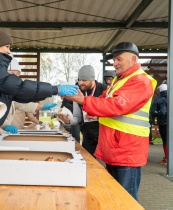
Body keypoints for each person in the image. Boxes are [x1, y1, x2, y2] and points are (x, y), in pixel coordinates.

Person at [0, 22, 78, 154]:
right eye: (6, 46)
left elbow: (17, 95)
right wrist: (56, 89)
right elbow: (21, 87)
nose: (9, 51)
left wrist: (47, 94)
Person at [64, 42, 157, 201]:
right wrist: (86, 103)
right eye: (114, 59)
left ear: (134, 59)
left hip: (127, 150)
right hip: (116, 148)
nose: (115, 63)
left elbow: (116, 105)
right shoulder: (119, 81)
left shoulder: (140, 80)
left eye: (119, 59)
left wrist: (83, 101)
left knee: (126, 199)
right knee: (115, 196)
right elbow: (102, 100)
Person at [0, 58, 57, 150]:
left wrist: (42, 107)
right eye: (12, 73)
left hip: (3, 136)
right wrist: (4, 125)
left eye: (17, 75)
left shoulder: (8, 90)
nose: (14, 77)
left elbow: (22, 104)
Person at [58, 65, 108, 156]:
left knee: (110, 168)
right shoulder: (78, 90)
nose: (81, 83)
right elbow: (78, 117)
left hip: (104, 136)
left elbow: (113, 112)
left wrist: (98, 116)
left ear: (93, 79)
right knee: (87, 164)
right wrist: (69, 121)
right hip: (87, 136)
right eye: (80, 79)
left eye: (84, 80)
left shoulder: (104, 89)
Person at [150, 84, 168, 163]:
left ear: (160, 90)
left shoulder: (157, 99)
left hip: (162, 122)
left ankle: (167, 158)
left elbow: (153, 112)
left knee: (165, 140)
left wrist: (158, 114)